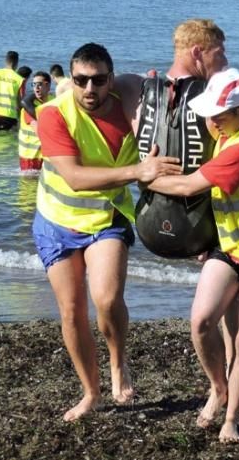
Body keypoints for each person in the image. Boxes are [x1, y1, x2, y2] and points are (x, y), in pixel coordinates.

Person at [147, 68, 239, 442]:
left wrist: (143, 176)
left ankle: (231, 417)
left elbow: (185, 186)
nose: (211, 121)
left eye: (220, 114)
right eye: (210, 112)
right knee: (200, 323)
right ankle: (219, 388)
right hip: (231, 245)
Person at [33, 42, 182, 422]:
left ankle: (118, 363)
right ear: (70, 79)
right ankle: (91, 392)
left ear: (110, 79)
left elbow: (164, 88)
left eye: (99, 80)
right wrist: (137, 172)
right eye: (81, 80)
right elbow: (75, 178)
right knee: (71, 311)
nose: (90, 89)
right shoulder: (53, 114)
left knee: (106, 298)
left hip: (107, 219)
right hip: (57, 222)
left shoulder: (131, 105)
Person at [125, 18, 230, 258]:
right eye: (220, 53)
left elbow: (72, 91)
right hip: (202, 232)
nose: (225, 61)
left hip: (146, 227)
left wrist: (140, 177)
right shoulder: (217, 102)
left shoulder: (133, 89)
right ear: (197, 52)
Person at [18, 71, 54, 171]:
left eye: (39, 84)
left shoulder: (52, 100)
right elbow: (40, 132)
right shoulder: (28, 109)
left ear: (47, 86)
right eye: (33, 85)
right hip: (30, 158)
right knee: (30, 186)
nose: (36, 88)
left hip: (44, 155)